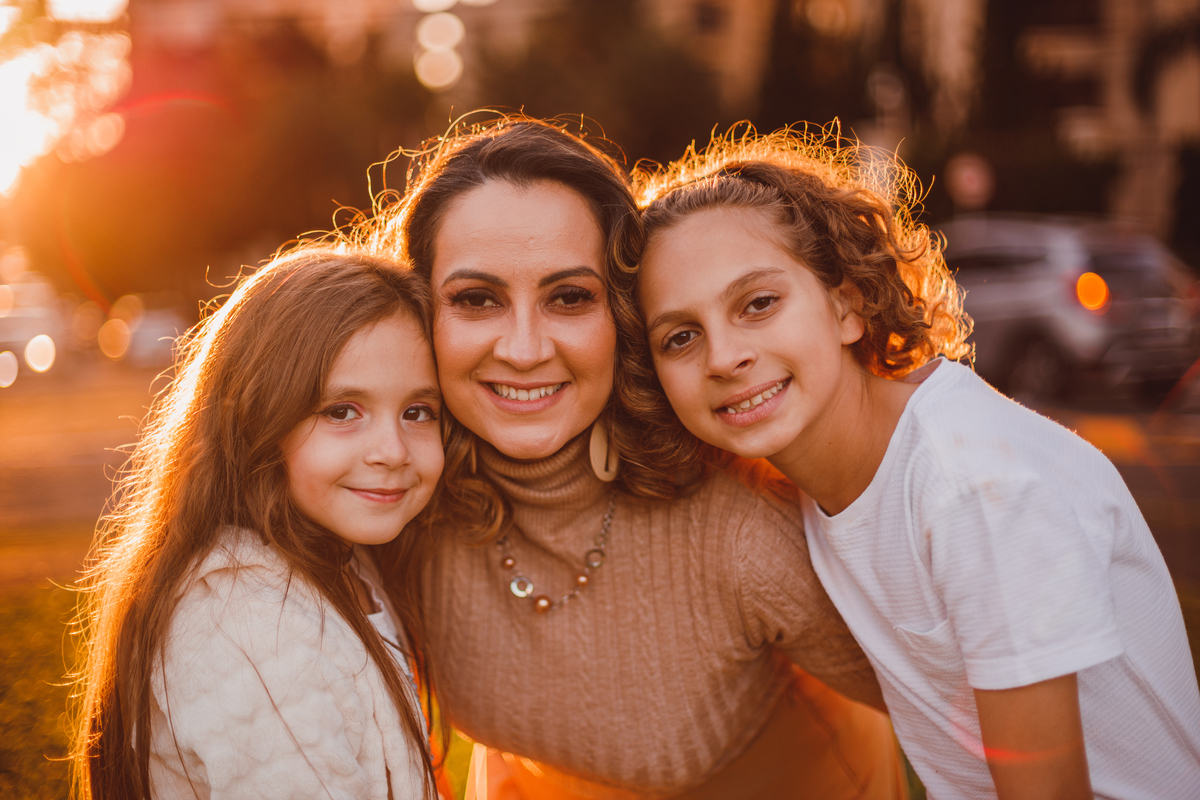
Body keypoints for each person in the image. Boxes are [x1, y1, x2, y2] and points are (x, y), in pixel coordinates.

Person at [632, 127, 1200, 799]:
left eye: (759, 303)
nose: (724, 357)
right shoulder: (812, 478)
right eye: (681, 337)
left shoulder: (973, 487)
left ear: (846, 304)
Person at [364, 115, 907, 799]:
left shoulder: (738, 535)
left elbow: (976, 706)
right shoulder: (395, 503)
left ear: (623, 314)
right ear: (422, 315)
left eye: (569, 297)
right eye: (477, 300)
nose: (525, 349)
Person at [71, 247, 445, 799]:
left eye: (417, 411)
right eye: (342, 411)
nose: (392, 450)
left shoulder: (341, 556)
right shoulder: (249, 625)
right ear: (256, 416)